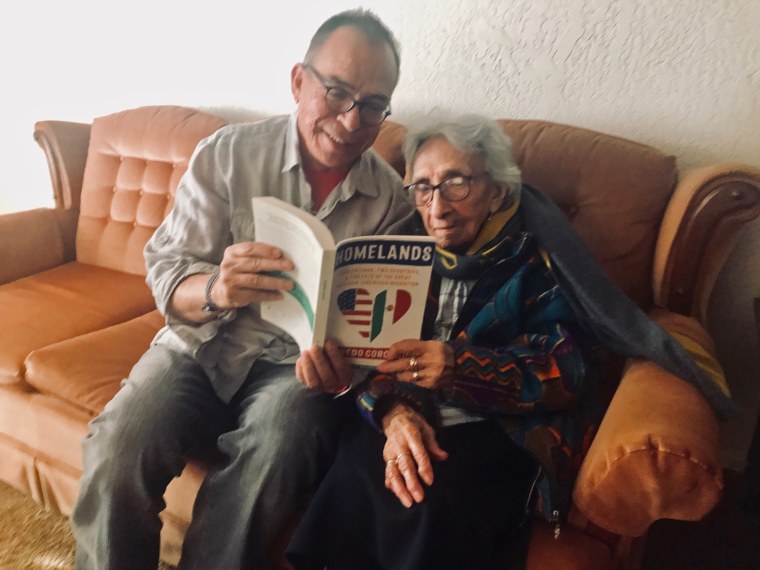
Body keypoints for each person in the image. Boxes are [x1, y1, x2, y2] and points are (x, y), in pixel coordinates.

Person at [287, 116, 735, 569]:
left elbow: (567, 371)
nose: (437, 208)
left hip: (501, 427)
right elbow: (368, 363)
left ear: (497, 190)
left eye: (456, 184)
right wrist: (392, 414)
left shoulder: (537, 262)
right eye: (422, 188)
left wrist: (461, 366)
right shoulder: (400, 260)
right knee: (354, 471)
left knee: (426, 494)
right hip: (412, 409)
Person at [71, 9, 415, 570]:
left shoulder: (393, 204)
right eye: (337, 93)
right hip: (201, 346)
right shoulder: (228, 155)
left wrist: (346, 373)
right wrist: (215, 287)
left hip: (295, 370)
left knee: (280, 447)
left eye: (374, 105)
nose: (353, 121)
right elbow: (166, 270)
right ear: (299, 81)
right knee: (117, 447)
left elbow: (381, 335)